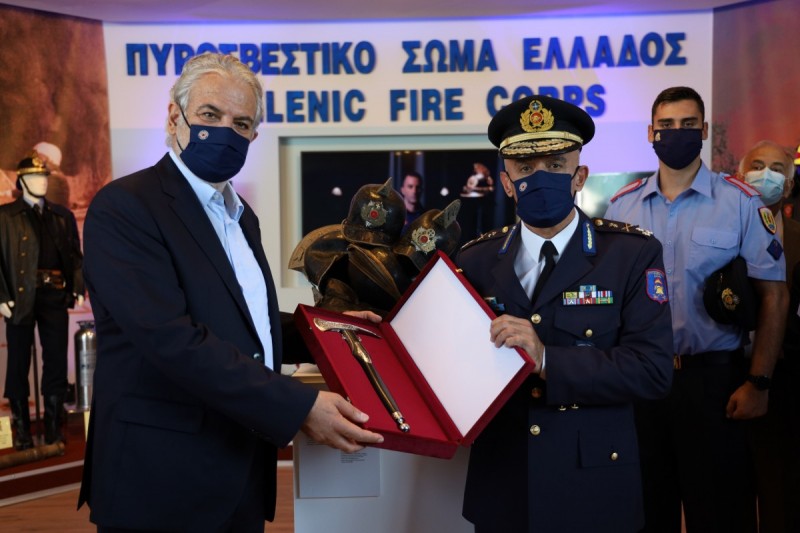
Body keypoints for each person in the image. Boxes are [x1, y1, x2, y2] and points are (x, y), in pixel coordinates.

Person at [77, 53, 383, 532]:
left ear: (253, 136)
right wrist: (298, 406)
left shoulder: (240, 215)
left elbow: (242, 321)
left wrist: (334, 331)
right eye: (209, 114)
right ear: (175, 117)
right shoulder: (125, 207)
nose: (224, 131)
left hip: (238, 470)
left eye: (240, 123)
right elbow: (171, 339)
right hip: (159, 479)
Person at [455, 95, 674, 532]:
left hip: (592, 486)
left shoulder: (630, 254)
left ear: (579, 176)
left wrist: (547, 360)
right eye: (525, 168)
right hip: (505, 486)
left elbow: (652, 371)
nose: (540, 178)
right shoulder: (474, 261)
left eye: (556, 165)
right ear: (507, 182)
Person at [605, 87, 789, 533]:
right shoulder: (622, 206)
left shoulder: (741, 202)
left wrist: (759, 383)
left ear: (704, 130)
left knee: (722, 515)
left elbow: (775, 296)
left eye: (688, 125)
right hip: (642, 384)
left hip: (715, 386)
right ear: (651, 132)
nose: (677, 133)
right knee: (645, 514)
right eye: (666, 125)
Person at [0, 152, 84, 450]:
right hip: (19, 296)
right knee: (18, 362)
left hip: (54, 294)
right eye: (35, 177)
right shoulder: (5, 217)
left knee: (56, 360)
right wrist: (2, 295)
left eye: (44, 176)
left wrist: (77, 287)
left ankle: (52, 428)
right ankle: (22, 430)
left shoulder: (62, 216)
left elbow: (75, 256)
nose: (42, 182)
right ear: (22, 181)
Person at [738, 139, 800, 533]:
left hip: (787, 385)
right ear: (740, 177)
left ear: (789, 186)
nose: (766, 176)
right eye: (758, 165)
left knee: (782, 493)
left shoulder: (798, 238)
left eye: (777, 170)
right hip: (725, 376)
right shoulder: (719, 233)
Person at [459, 162, 495, 244]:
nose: (475, 169)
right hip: (469, 202)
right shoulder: (472, 177)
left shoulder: (486, 177)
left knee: (482, 223)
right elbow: (466, 188)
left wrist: (476, 189)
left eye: (476, 168)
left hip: (483, 202)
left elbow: (491, 188)